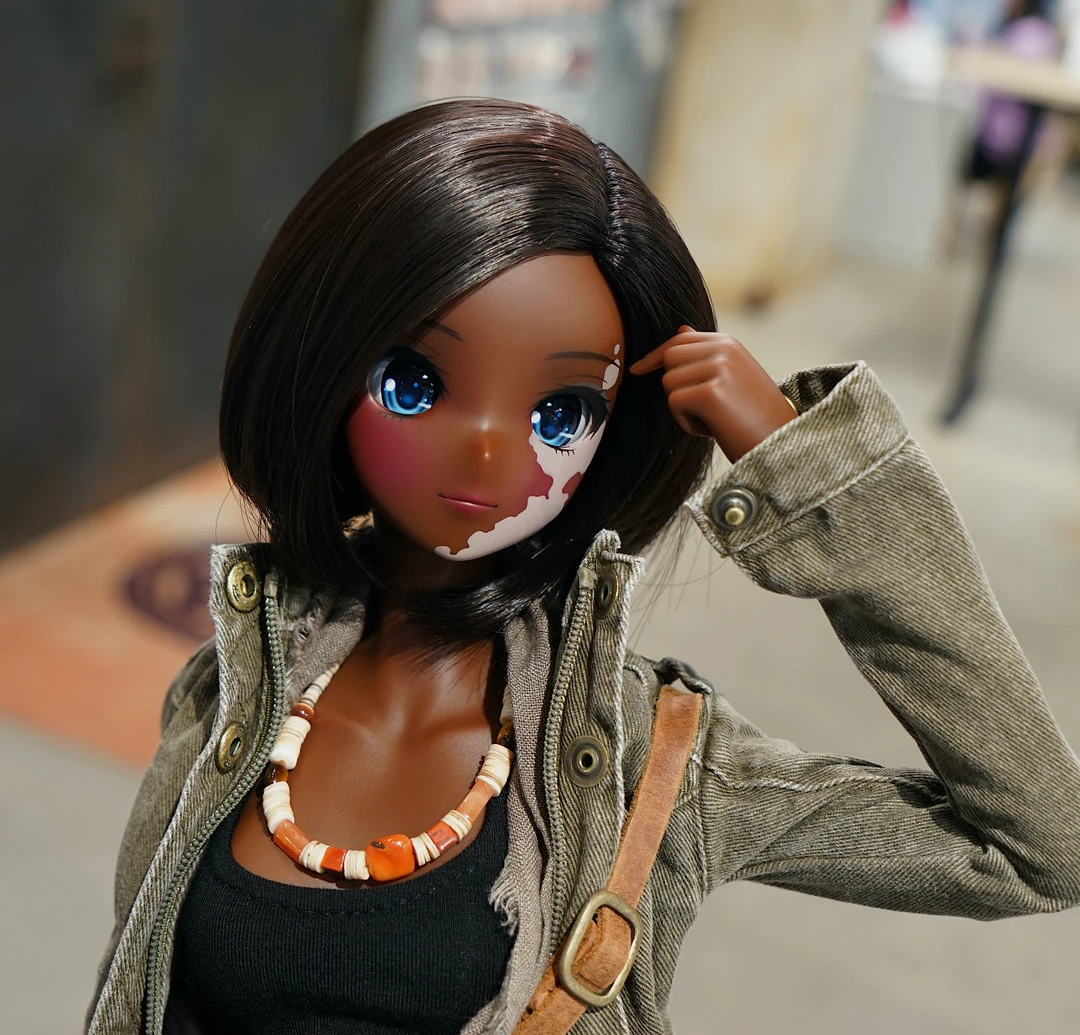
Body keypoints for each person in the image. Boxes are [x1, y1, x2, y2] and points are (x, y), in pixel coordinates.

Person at [88, 98, 1080, 1035]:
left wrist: (813, 475)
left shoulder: (658, 771)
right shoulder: (231, 691)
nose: (486, 453)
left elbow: (1041, 849)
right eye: (414, 382)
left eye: (560, 413)